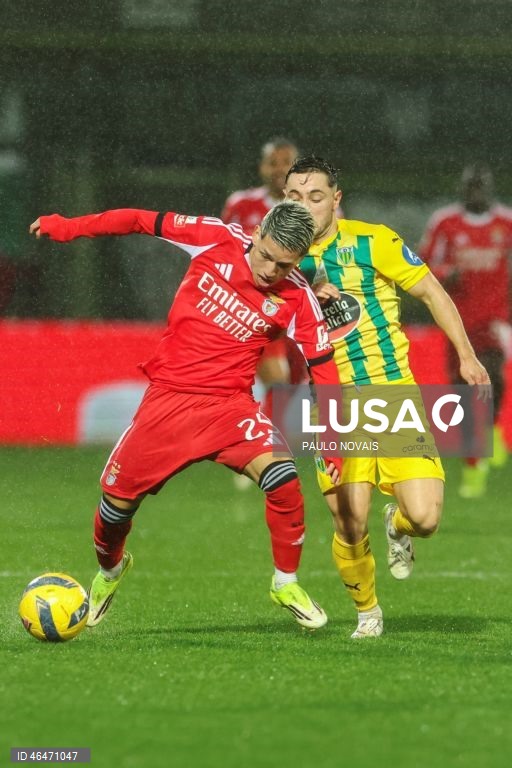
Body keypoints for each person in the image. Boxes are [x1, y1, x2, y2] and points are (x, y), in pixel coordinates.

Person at [29, 201, 342, 631]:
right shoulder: (213, 238)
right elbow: (138, 219)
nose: (270, 269)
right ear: (256, 235)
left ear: (299, 260)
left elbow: (324, 370)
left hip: (229, 407)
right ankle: (110, 571)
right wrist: (68, 225)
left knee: (283, 479)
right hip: (169, 402)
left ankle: (285, 582)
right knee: (115, 510)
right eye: (265, 255)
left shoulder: (297, 298)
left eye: (284, 264)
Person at [283, 155, 490, 638]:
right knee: (348, 520)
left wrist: (466, 355)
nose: (305, 206)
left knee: (426, 517)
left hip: (390, 394)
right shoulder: (277, 258)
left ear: (336, 200)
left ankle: (398, 525)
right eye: (295, 197)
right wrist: (307, 286)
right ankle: (368, 613)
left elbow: (434, 293)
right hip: (330, 404)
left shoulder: (373, 241)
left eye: (316, 197)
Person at [419, 163, 512, 498]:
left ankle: (477, 462)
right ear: (463, 189)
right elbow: (423, 263)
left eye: (481, 186)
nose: (476, 192)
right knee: (463, 391)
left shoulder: (506, 222)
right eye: (470, 187)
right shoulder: (445, 223)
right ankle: (480, 445)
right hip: (456, 322)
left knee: (494, 380)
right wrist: (446, 272)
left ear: (490, 188)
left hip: (495, 321)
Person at [222, 138, 307, 419]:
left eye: (286, 163)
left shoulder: (314, 208)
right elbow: (223, 252)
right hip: (255, 307)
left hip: (297, 308)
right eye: (273, 163)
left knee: (297, 380)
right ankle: (267, 445)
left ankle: (262, 435)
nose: (279, 169)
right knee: (277, 381)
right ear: (261, 168)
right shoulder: (241, 205)